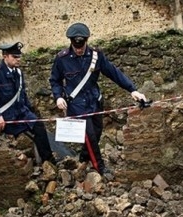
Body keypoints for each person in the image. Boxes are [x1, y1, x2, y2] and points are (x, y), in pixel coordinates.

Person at [49, 23, 147, 176]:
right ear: (71, 42)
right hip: (77, 105)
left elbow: (114, 73)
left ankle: (84, 156)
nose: (79, 48)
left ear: (86, 41)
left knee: (98, 131)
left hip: (94, 101)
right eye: (76, 45)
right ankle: (99, 167)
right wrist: (58, 96)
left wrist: (132, 89)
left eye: (81, 45)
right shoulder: (62, 59)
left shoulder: (96, 55)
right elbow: (55, 80)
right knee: (90, 137)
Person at [0, 42, 55, 164]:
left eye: (19, 56)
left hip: (21, 113)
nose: (18, 59)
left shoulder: (18, 73)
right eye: (15, 57)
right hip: (5, 116)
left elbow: (22, 95)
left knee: (38, 125)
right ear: (5, 56)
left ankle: (48, 161)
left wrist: (30, 111)